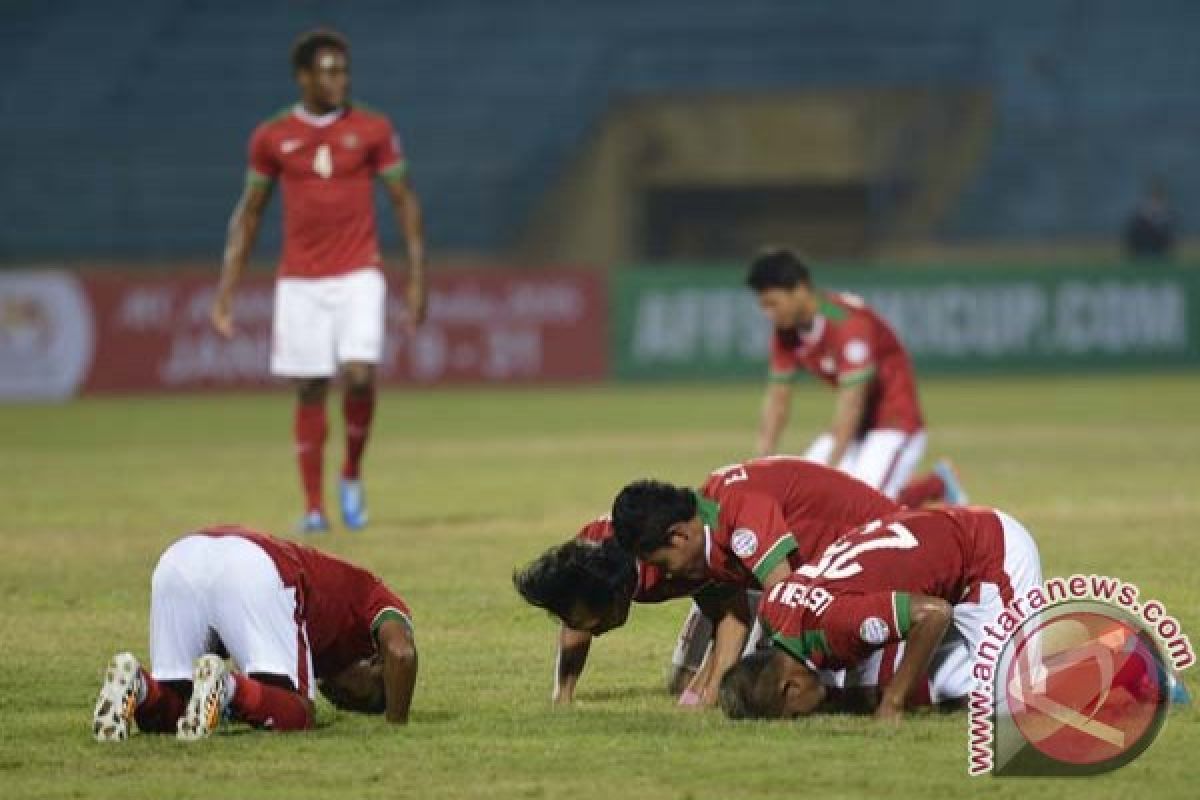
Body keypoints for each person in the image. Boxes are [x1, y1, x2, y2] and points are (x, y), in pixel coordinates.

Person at [210, 29, 428, 533]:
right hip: (301, 280)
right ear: (304, 76)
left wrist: (418, 278)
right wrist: (227, 289)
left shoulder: (373, 129)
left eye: (344, 71)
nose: (339, 80)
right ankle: (314, 506)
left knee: (358, 374)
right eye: (329, 72)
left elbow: (405, 199)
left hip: (358, 271)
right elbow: (250, 213)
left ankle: (350, 473)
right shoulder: (273, 136)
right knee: (309, 386)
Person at [605, 456, 900, 707]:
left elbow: (787, 599)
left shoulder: (739, 512)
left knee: (845, 697)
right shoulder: (707, 520)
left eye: (662, 564)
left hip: (889, 559)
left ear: (679, 536)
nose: (666, 576)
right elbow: (734, 619)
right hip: (835, 576)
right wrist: (703, 697)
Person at [91, 524, 417, 741]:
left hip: (180, 558)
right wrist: (395, 725)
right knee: (300, 713)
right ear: (374, 661)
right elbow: (402, 655)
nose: (346, 700)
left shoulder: (327, 637)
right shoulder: (371, 595)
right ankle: (228, 686)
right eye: (368, 696)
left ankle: (137, 685)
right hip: (254, 565)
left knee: (173, 708)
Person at [717, 505, 1043, 720]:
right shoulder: (776, 607)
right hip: (931, 541)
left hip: (987, 552)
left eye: (796, 716)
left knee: (1012, 705)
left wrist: (893, 702)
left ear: (792, 688)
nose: (806, 719)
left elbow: (934, 615)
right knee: (869, 691)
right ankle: (985, 655)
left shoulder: (839, 624)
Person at [747, 248, 965, 508]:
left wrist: (829, 471)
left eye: (773, 303)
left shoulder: (848, 323)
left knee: (865, 508)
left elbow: (852, 404)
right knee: (799, 496)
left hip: (895, 421)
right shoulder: (786, 332)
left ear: (800, 289)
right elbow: (777, 401)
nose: (768, 313)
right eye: (763, 306)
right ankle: (934, 483)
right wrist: (758, 469)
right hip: (858, 427)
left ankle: (937, 484)